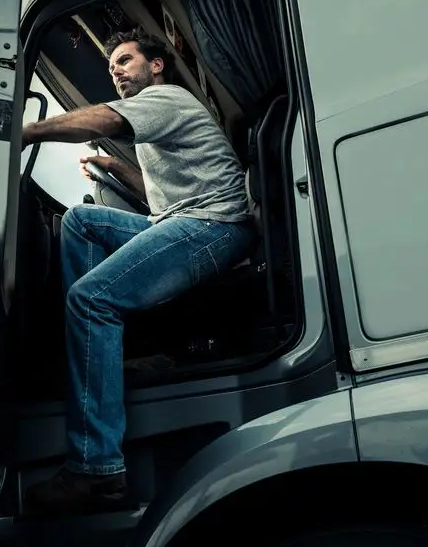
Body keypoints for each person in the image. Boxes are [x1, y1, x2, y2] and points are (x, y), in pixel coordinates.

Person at [19, 27, 255, 514]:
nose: (116, 71)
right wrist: (114, 167)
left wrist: (24, 132)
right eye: (112, 67)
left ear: (156, 65)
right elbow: (160, 202)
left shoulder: (165, 97)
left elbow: (103, 119)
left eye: (125, 61)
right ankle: (100, 356)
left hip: (215, 226)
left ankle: (96, 469)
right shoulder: (157, 127)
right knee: (82, 221)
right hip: (183, 219)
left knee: (90, 299)